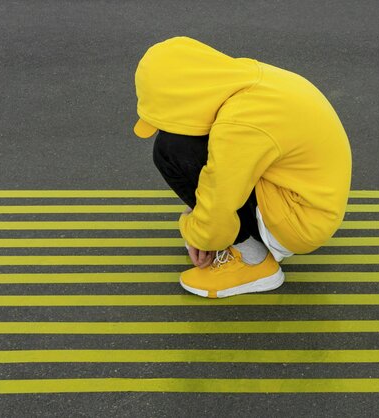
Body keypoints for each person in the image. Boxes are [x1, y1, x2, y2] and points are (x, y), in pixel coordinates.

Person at [132, 36, 351, 298]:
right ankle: (243, 238)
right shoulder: (246, 81)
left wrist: (196, 232)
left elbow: (220, 195)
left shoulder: (240, 122)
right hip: (308, 199)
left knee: (172, 149)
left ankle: (254, 263)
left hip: (299, 222)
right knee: (196, 152)